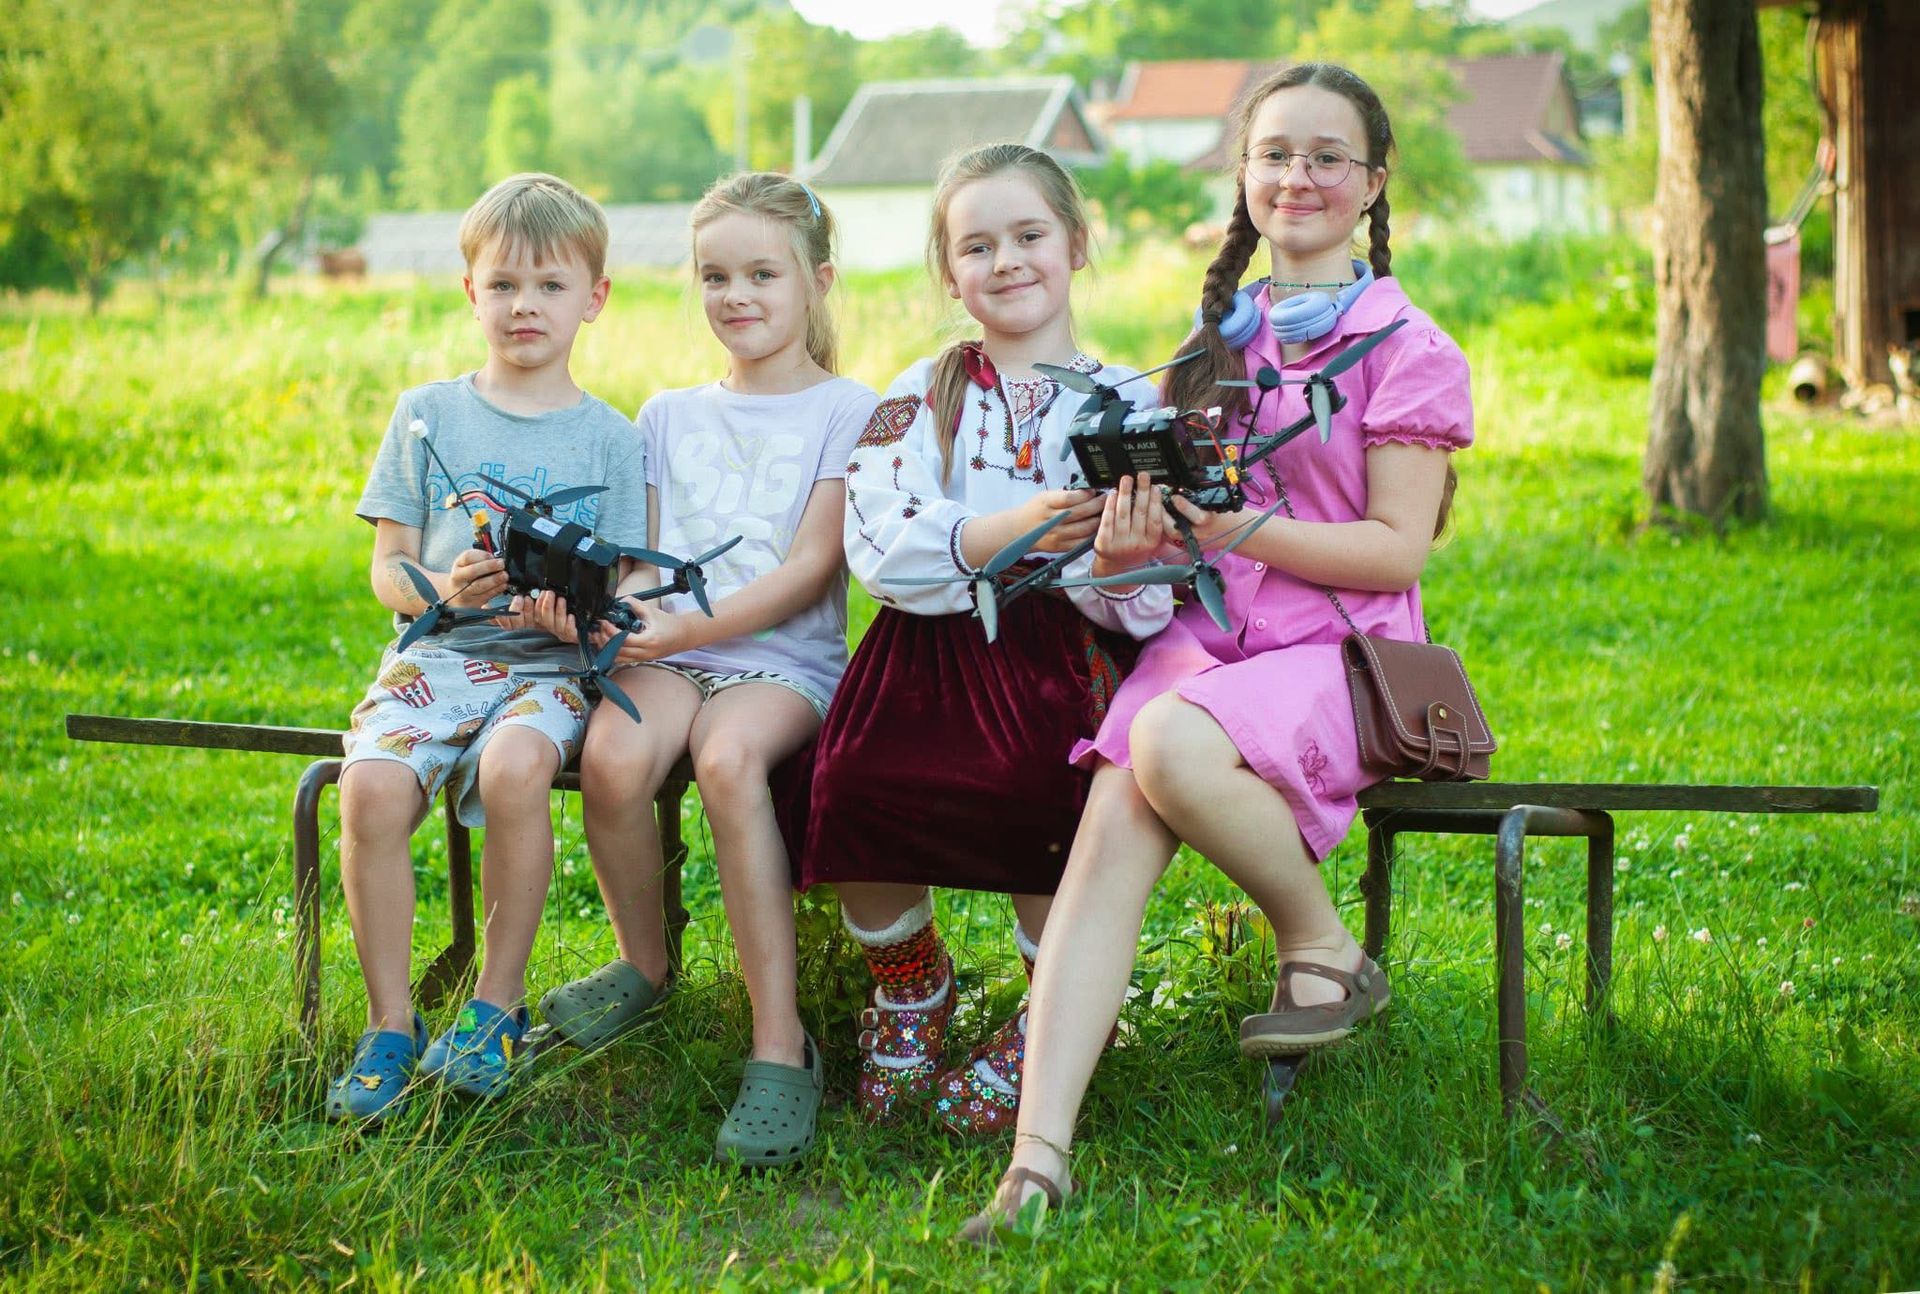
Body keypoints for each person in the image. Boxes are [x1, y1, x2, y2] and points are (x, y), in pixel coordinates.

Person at [962, 64, 1474, 1236]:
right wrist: (1136, 541)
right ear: (1243, 178)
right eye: (1275, 153)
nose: (1299, 175)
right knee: (1110, 833)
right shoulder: (1208, 348)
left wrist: (1242, 527)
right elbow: (1181, 556)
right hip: (1210, 645)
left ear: (1372, 183)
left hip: (1343, 654)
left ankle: (1319, 940)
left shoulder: (1409, 348)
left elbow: (1396, 553)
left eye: (1327, 156)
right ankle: (1037, 1164)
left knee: (1168, 742)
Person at [796, 143, 1174, 1137]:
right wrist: (1004, 529)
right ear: (949, 271)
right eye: (976, 245)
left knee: (1043, 800)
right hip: (926, 643)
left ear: (1077, 246)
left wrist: (1123, 558)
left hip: (1062, 650)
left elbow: (1152, 590)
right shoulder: (921, 391)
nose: (1006, 260)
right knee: (856, 782)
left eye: (1029, 235)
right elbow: (878, 534)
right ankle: (912, 985)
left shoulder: (1129, 403)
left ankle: (1051, 1013)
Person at [537, 173, 876, 1167]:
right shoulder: (669, 413)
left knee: (729, 763)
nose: (737, 294)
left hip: (781, 660)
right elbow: (640, 556)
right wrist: (618, 610)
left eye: (762, 272)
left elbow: (813, 566)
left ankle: (781, 1042)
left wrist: (680, 633)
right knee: (612, 755)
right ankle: (647, 962)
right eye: (715, 275)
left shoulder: (848, 409)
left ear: (816, 280)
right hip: (671, 647)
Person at [325, 173, 648, 1122]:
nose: (524, 306)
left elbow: (624, 588)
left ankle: (493, 1010)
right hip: (436, 660)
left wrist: (581, 622)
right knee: (371, 787)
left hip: (546, 672)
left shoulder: (612, 440)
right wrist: (435, 588)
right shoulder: (427, 413)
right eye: (503, 284)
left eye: (550, 286)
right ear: (471, 292)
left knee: (514, 772)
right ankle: (391, 1024)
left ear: (594, 299)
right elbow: (387, 562)